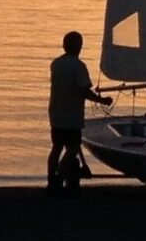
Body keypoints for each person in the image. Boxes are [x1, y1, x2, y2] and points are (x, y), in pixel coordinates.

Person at [47, 31, 110, 191]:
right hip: (71, 115)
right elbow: (84, 91)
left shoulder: (56, 64)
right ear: (78, 46)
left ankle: (51, 179)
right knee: (73, 148)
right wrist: (102, 100)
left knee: (57, 147)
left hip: (55, 112)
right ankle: (58, 180)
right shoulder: (78, 66)